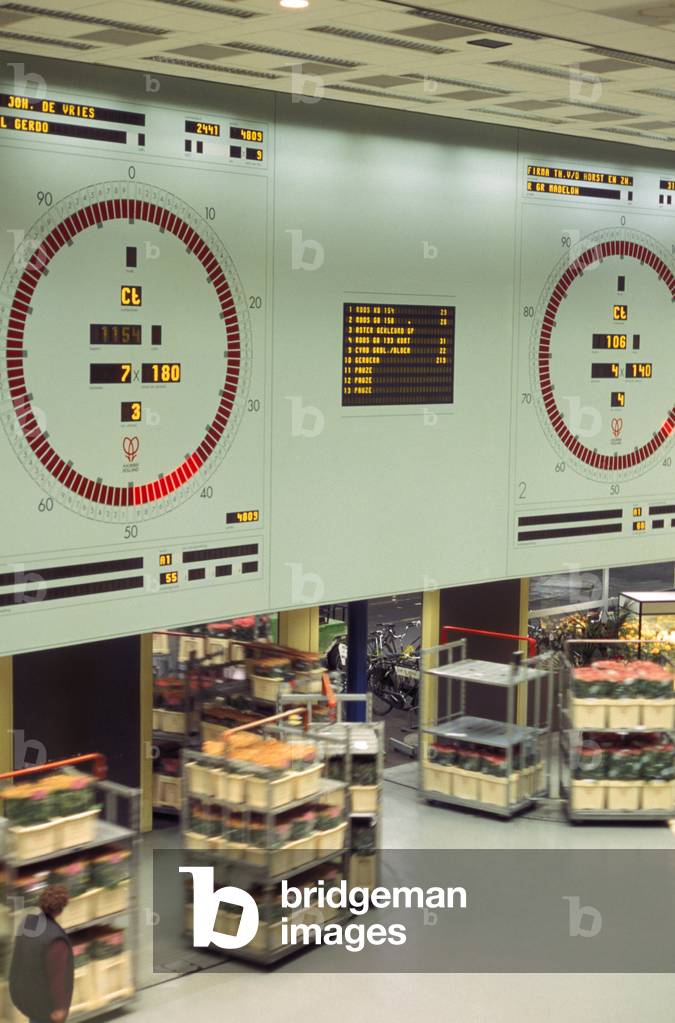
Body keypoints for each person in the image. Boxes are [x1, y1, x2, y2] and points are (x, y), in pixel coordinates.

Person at [9, 884, 74, 1023]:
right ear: (61, 909)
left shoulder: (27, 922)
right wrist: (60, 1008)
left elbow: (19, 958)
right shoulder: (56, 941)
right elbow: (57, 979)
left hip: (26, 997)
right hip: (46, 1006)